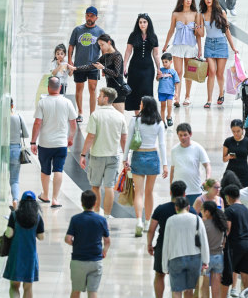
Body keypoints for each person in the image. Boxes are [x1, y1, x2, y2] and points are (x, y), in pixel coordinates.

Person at [122, 96, 167, 237]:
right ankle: (148, 222)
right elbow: (162, 144)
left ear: (144, 106)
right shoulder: (159, 123)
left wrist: (125, 159)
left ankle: (139, 221)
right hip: (153, 157)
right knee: (149, 192)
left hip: (138, 157)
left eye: (141, 103)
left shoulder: (135, 120)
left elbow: (129, 140)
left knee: (139, 192)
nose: (139, 105)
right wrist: (165, 164)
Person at [79, 87, 128, 217]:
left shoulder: (96, 115)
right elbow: (124, 139)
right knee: (109, 187)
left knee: (95, 186)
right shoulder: (120, 116)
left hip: (97, 156)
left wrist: (83, 154)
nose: (97, 97)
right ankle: (106, 216)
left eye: (99, 96)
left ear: (106, 99)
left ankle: (96, 213)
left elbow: (90, 137)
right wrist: (125, 157)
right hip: (114, 155)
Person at [30, 76, 78, 208]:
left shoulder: (43, 103)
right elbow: (73, 124)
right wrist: (70, 138)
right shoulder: (67, 102)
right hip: (61, 143)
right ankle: (55, 199)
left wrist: (33, 142)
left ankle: (45, 195)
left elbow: (37, 123)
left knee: (45, 170)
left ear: (48, 88)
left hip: (45, 143)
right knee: (59, 169)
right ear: (60, 88)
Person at [147, 181, 198, 298]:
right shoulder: (191, 211)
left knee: (159, 274)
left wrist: (149, 244)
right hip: (185, 249)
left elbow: (151, 229)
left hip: (163, 246)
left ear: (171, 192)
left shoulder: (161, 209)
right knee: (185, 281)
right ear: (185, 194)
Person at [65, 190, 111, 298]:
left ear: (81, 203)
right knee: (93, 291)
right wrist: (104, 252)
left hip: (78, 260)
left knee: (76, 290)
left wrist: (76, 244)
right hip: (95, 260)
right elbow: (107, 241)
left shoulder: (75, 219)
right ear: (95, 203)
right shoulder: (101, 220)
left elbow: (68, 239)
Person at [196, 0, 238, 108]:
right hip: (209, 44)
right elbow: (201, 34)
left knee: (219, 73)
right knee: (211, 72)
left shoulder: (221, 12)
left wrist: (233, 47)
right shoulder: (202, 14)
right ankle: (209, 99)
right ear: (203, 1)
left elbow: (227, 31)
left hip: (221, 44)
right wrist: (197, 27)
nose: (208, 0)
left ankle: (221, 92)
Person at [162, 196, 210, 298]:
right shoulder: (197, 219)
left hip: (175, 258)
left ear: (176, 208)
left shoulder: (170, 221)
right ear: (188, 207)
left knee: (176, 291)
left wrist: (164, 266)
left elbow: (166, 244)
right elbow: (204, 241)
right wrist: (206, 260)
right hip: (194, 259)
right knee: (189, 290)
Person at [162, 0, 201, 107]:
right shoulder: (175, 14)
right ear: (182, 0)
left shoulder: (196, 14)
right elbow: (171, 30)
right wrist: (165, 45)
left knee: (189, 73)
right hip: (178, 46)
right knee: (178, 72)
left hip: (190, 46)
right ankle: (177, 96)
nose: (188, 0)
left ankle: (187, 96)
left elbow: (198, 33)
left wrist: (200, 49)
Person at [69, 34, 126, 113]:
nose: (101, 47)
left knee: (119, 116)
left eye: (102, 45)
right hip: (110, 88)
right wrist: (76, 68)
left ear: (109, 42)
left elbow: (117, 73)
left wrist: (103, 68)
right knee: (111, 116)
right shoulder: (106, 56)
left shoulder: (117, 56)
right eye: (99, 45)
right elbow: (92, 66)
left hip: (118, 89)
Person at [3, 191, 45, 298]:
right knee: (28, 287)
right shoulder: (37, 218)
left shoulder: (14, 215)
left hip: (16, 255)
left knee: (14, 286)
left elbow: (9, 234)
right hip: (30, 256)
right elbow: (41, 237)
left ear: (22, 202)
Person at [68, 6, 105, 122]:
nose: (89, 18)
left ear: (96, 18)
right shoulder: (77, 30)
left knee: (92, 88)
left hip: (93, 66)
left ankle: (92, 114)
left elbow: (104, 49)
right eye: (87, 15)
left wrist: (103, 65)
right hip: (79, 65)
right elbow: (71, 46)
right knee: (79, 88)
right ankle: (80, 112)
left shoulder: (100, 32)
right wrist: (70, 60)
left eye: (92, 16)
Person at [124, 13, 161, 113]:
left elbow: (156, 54)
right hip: (134, 68)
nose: (142, 24)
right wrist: (124, 66)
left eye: (144, 22)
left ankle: (146, 116)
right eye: (140, 22)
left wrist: (159, 68)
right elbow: (128, 51)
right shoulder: (133, 35)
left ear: (148, 23)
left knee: (147, 92)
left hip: (148, 69)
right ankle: (137, 118)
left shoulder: (153, 36)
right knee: (135, 93)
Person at [221, 185, 248, 298]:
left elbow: (228, 230)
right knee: (246, 277)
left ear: (228, 197)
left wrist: (222, 243)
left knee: (226, 277)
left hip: (234, 246)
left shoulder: (229, 211)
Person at [170, 123, 212, 206]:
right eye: (180, 135)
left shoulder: (198, 148)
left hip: (194, 190)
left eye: (185, 135)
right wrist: (171, 187)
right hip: (178, 191)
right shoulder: (174, 150)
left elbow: (207, 165)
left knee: (196, 215)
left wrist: (207, 179)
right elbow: (172, 170)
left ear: (190, 134)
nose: (183, 137)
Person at [200, 200, 227, 298]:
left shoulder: (204, 225)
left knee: (204, 287)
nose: (201, 212)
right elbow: (224, 241)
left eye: (202, 210)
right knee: (216, 288)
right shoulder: (221, 224)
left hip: (206, 259)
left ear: (207, 212)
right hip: (219, 256)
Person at [223, 119, 248, 188]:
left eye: (238, 131)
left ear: (242, 129)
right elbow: (224, 159)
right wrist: (228, 157)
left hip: (244, 173)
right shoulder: (228, 141)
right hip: (230, 173)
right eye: (233, 131)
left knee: (243, 195)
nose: (236, 134)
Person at [10, 98, 29, 210]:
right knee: (14, 180)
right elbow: (26, 134)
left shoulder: (1, 118)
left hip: (2, 149)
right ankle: (15, 200)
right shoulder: (18, 117)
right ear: (12, 106)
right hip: (15, 150)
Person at [157, 53, 180, 128]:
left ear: (171, 62)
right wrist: (158, 76)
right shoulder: (160, 70)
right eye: (163, 62)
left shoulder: (173, 72)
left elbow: (176, 83)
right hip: (161, 92)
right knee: (163, 107)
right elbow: (157, 79)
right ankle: (162, 121)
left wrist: (176, 93)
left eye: (166, 62)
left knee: (169, 105)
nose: (164, 64)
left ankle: (169, 117)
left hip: (170, 92)